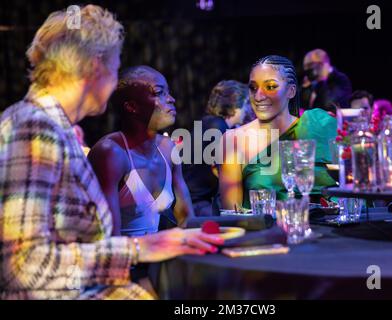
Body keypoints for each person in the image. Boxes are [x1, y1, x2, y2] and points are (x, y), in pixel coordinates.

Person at [0, 5, 222, 300]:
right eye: (116, 69)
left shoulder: (52, 128)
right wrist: (141, 249)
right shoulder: (34, 129)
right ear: (95, 66)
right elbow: (22, 267)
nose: (115, 81)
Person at [219, 55, 337, 210]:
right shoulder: (233, 140)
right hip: (266, 232)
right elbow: (232, 214)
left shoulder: (318, 126)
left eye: (270, 87)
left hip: (331, 230)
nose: (258, 96)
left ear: (291, 91)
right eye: (253, 88)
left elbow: (350, 186)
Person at [89, 65, 195, 235]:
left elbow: (187, 219)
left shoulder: (168, 148)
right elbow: (109, 240)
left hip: (156, 256)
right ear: (132, 106)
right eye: (159, 92)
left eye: (168, 92)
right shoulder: (110, 153)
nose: (171, 99)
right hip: (123, 258)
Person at [182, 80, 251, 216]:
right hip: (199, 206)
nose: (248, 110)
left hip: (191, 201)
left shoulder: (207, 122)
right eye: (246, 104)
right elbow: (225, 174)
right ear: (237, 104)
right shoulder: (218, 128)